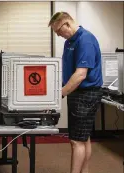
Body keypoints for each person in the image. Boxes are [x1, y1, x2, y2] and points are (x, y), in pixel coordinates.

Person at [49, 12, 103, 173]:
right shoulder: (69, 41)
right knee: (83, 138)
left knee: (75, 141)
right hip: (77, 94)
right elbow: (69, 70)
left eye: (59, 31)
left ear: (67, 24)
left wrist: (60, 94)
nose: (59, 35)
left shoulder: (85, 40)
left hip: (86, 94)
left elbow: (80, 74)